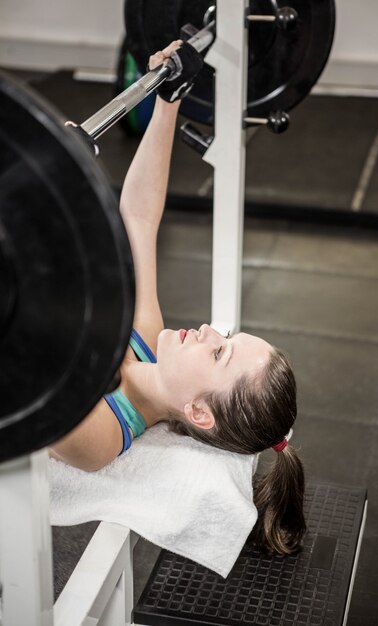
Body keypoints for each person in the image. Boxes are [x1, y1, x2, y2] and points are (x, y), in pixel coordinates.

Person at [50, 40, 306, 557]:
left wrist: (62, 184)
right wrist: (170, 101)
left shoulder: (102, 438)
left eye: (218, 353)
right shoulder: (145, 336)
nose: (210, 331)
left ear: (199, 413)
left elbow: (28, 362)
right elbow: (140, 218)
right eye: (226, 337)